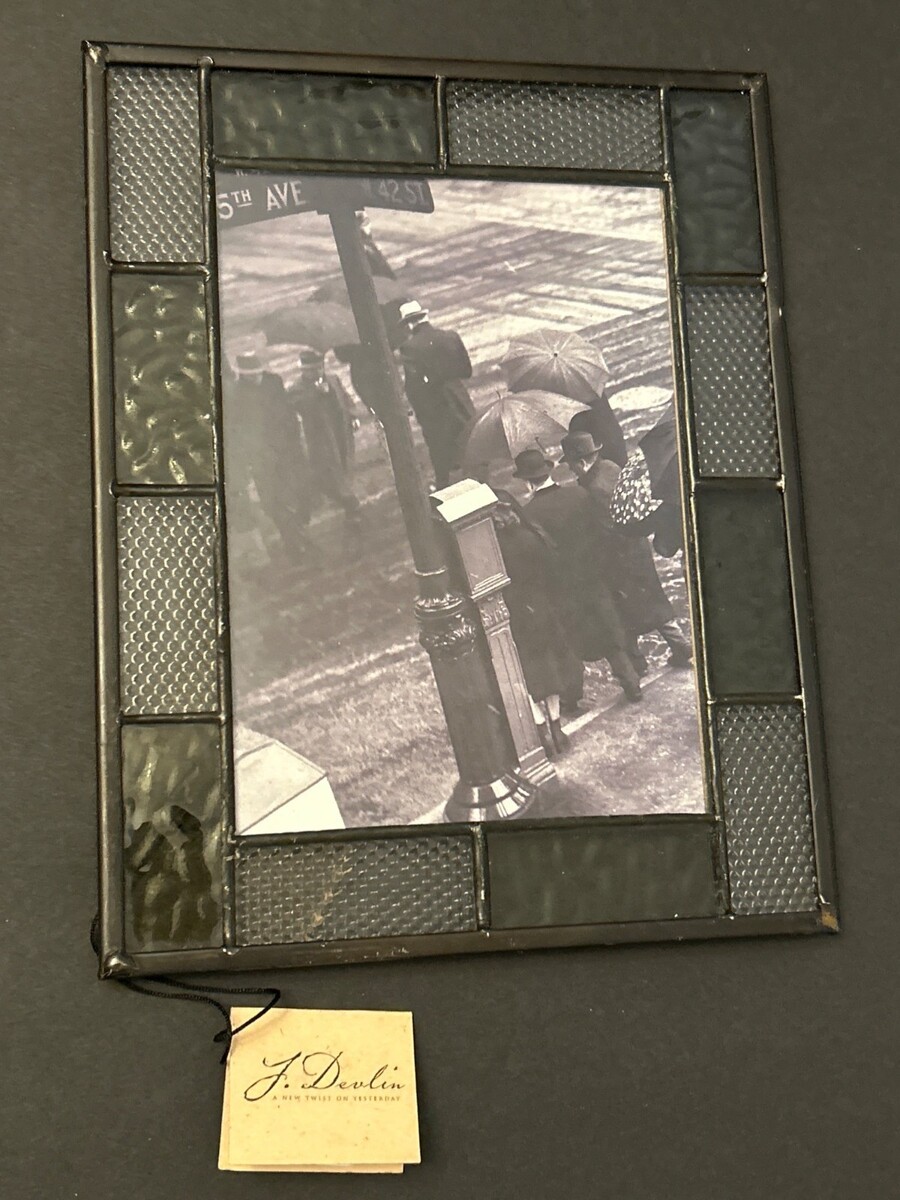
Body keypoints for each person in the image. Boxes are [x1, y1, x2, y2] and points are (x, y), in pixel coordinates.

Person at [513, 448, 643, 702]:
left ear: (527, 482)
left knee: (571, 640)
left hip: (564, 586)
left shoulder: (529, 514)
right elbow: (600, 530)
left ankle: (572, 696)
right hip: (594, 574)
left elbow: (541, 555)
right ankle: (631, 682)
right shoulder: (578, 493)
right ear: (549, 471)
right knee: (609, 629)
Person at [561, 431, 692, 671]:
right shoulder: (609, 467)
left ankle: (641, 664)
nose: (570, 469)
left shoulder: (593, 489)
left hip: (619, 557)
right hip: (638, 549)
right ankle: (680, 647)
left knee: (624, 612)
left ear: (581, 462)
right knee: (654, 602)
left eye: (571, 464)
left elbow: (607, 529)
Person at [491, 490, 584, 756]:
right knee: (550, 666)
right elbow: (552, 573)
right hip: (542, 609)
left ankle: (541, 728)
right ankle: (556, 727)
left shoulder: (493, 552)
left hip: (515, 615)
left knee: (525, 673)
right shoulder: (532, 537)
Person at [230, 350, 314, 562]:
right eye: (250, 374)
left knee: (298, 491)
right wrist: (250, 456)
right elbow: (238, 430)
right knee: (273, 501)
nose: (256, 377)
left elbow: (287, 412)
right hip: (261, 456)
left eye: (258, 372)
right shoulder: (236, 394)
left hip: (287, 448)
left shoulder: (273, 382)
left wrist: (293, 439)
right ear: (242, 374)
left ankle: (300, 529)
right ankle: (293, 542)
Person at [397, 299, 475, 488]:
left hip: (434, 405)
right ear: (424, 317)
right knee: (468, 439)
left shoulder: (409, 347)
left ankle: (444, 485)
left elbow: (413, 385)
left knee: (440, 448)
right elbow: (467, 371)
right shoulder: (450, 336)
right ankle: (478, 482)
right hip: (459, 398)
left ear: (408, 324)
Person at [286, 347, 361, 525]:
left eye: (320, 368)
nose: (317, 372)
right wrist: (316, 394)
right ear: (303, 370)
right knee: (325, 472)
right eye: (312, 370)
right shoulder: (296, 389)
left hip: (340, 431)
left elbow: (345, 398)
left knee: (344, 465)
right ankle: (350, 503)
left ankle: (349, 504)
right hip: (320, 438)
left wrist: (353, 416)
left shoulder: (333, 379)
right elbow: (302, 408)